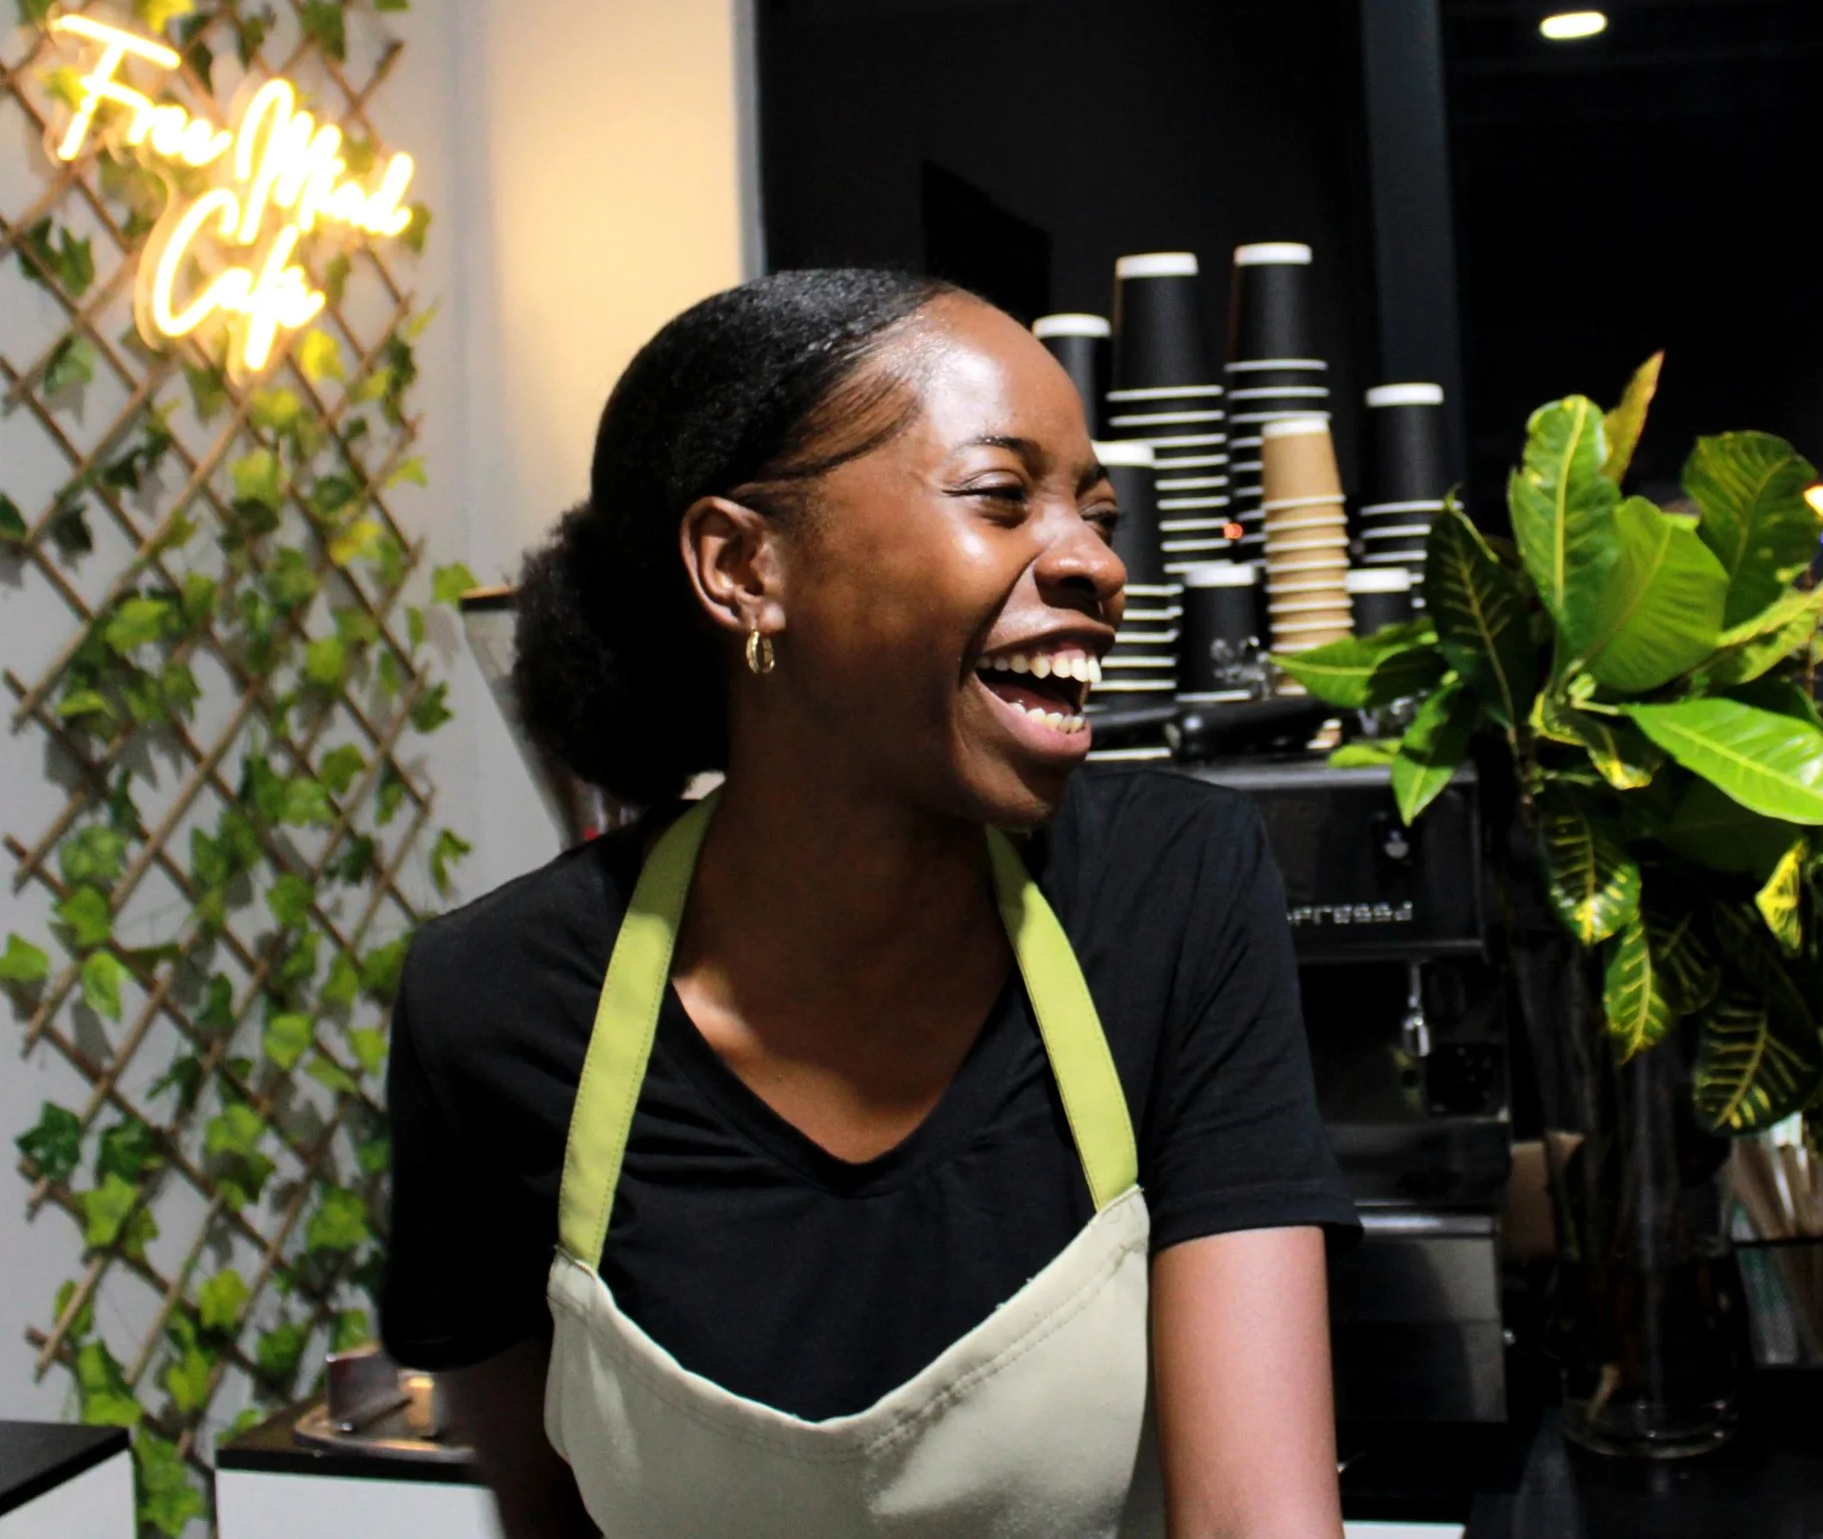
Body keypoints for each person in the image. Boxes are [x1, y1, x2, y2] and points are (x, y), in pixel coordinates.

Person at [382, 270, 1354, 1537]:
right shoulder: (491, 1003)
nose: (1096, 563)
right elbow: (543, 1515)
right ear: (742, 566)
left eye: (1094, 511)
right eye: (1002, 497)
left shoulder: (1173, 893)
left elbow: (1254, 1521)